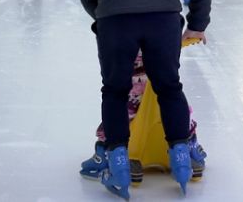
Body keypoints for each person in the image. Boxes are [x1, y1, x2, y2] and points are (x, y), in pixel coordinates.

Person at [77, 0, 212, 198]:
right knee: (169, 87)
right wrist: (197, 24)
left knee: (115, 91)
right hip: (163, 18)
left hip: (115, 20)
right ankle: (180, 160)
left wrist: (106, 17)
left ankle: (118, 166)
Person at [78, 49, 207, 186]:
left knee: (119, 106)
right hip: (162, 53)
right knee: (174, 101)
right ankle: (188, 146)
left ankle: (107, 152)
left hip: (131, 70)